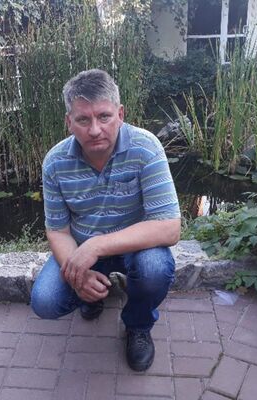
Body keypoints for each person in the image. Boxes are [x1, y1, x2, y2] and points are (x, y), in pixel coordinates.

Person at [31, 69, 181, 371]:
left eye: (104, 116)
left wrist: (98, 245)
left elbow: (169, 227)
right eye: (83, 120)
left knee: (155, 268)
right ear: (69, 122)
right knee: (45, 301)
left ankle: (138, 324)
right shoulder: (55, 162)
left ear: (120, 114)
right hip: (81, 246)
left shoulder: (146, 148)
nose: (95, 130)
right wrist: (78, 274)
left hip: (134, 247)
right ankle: (91, 294)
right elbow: (57, 231)